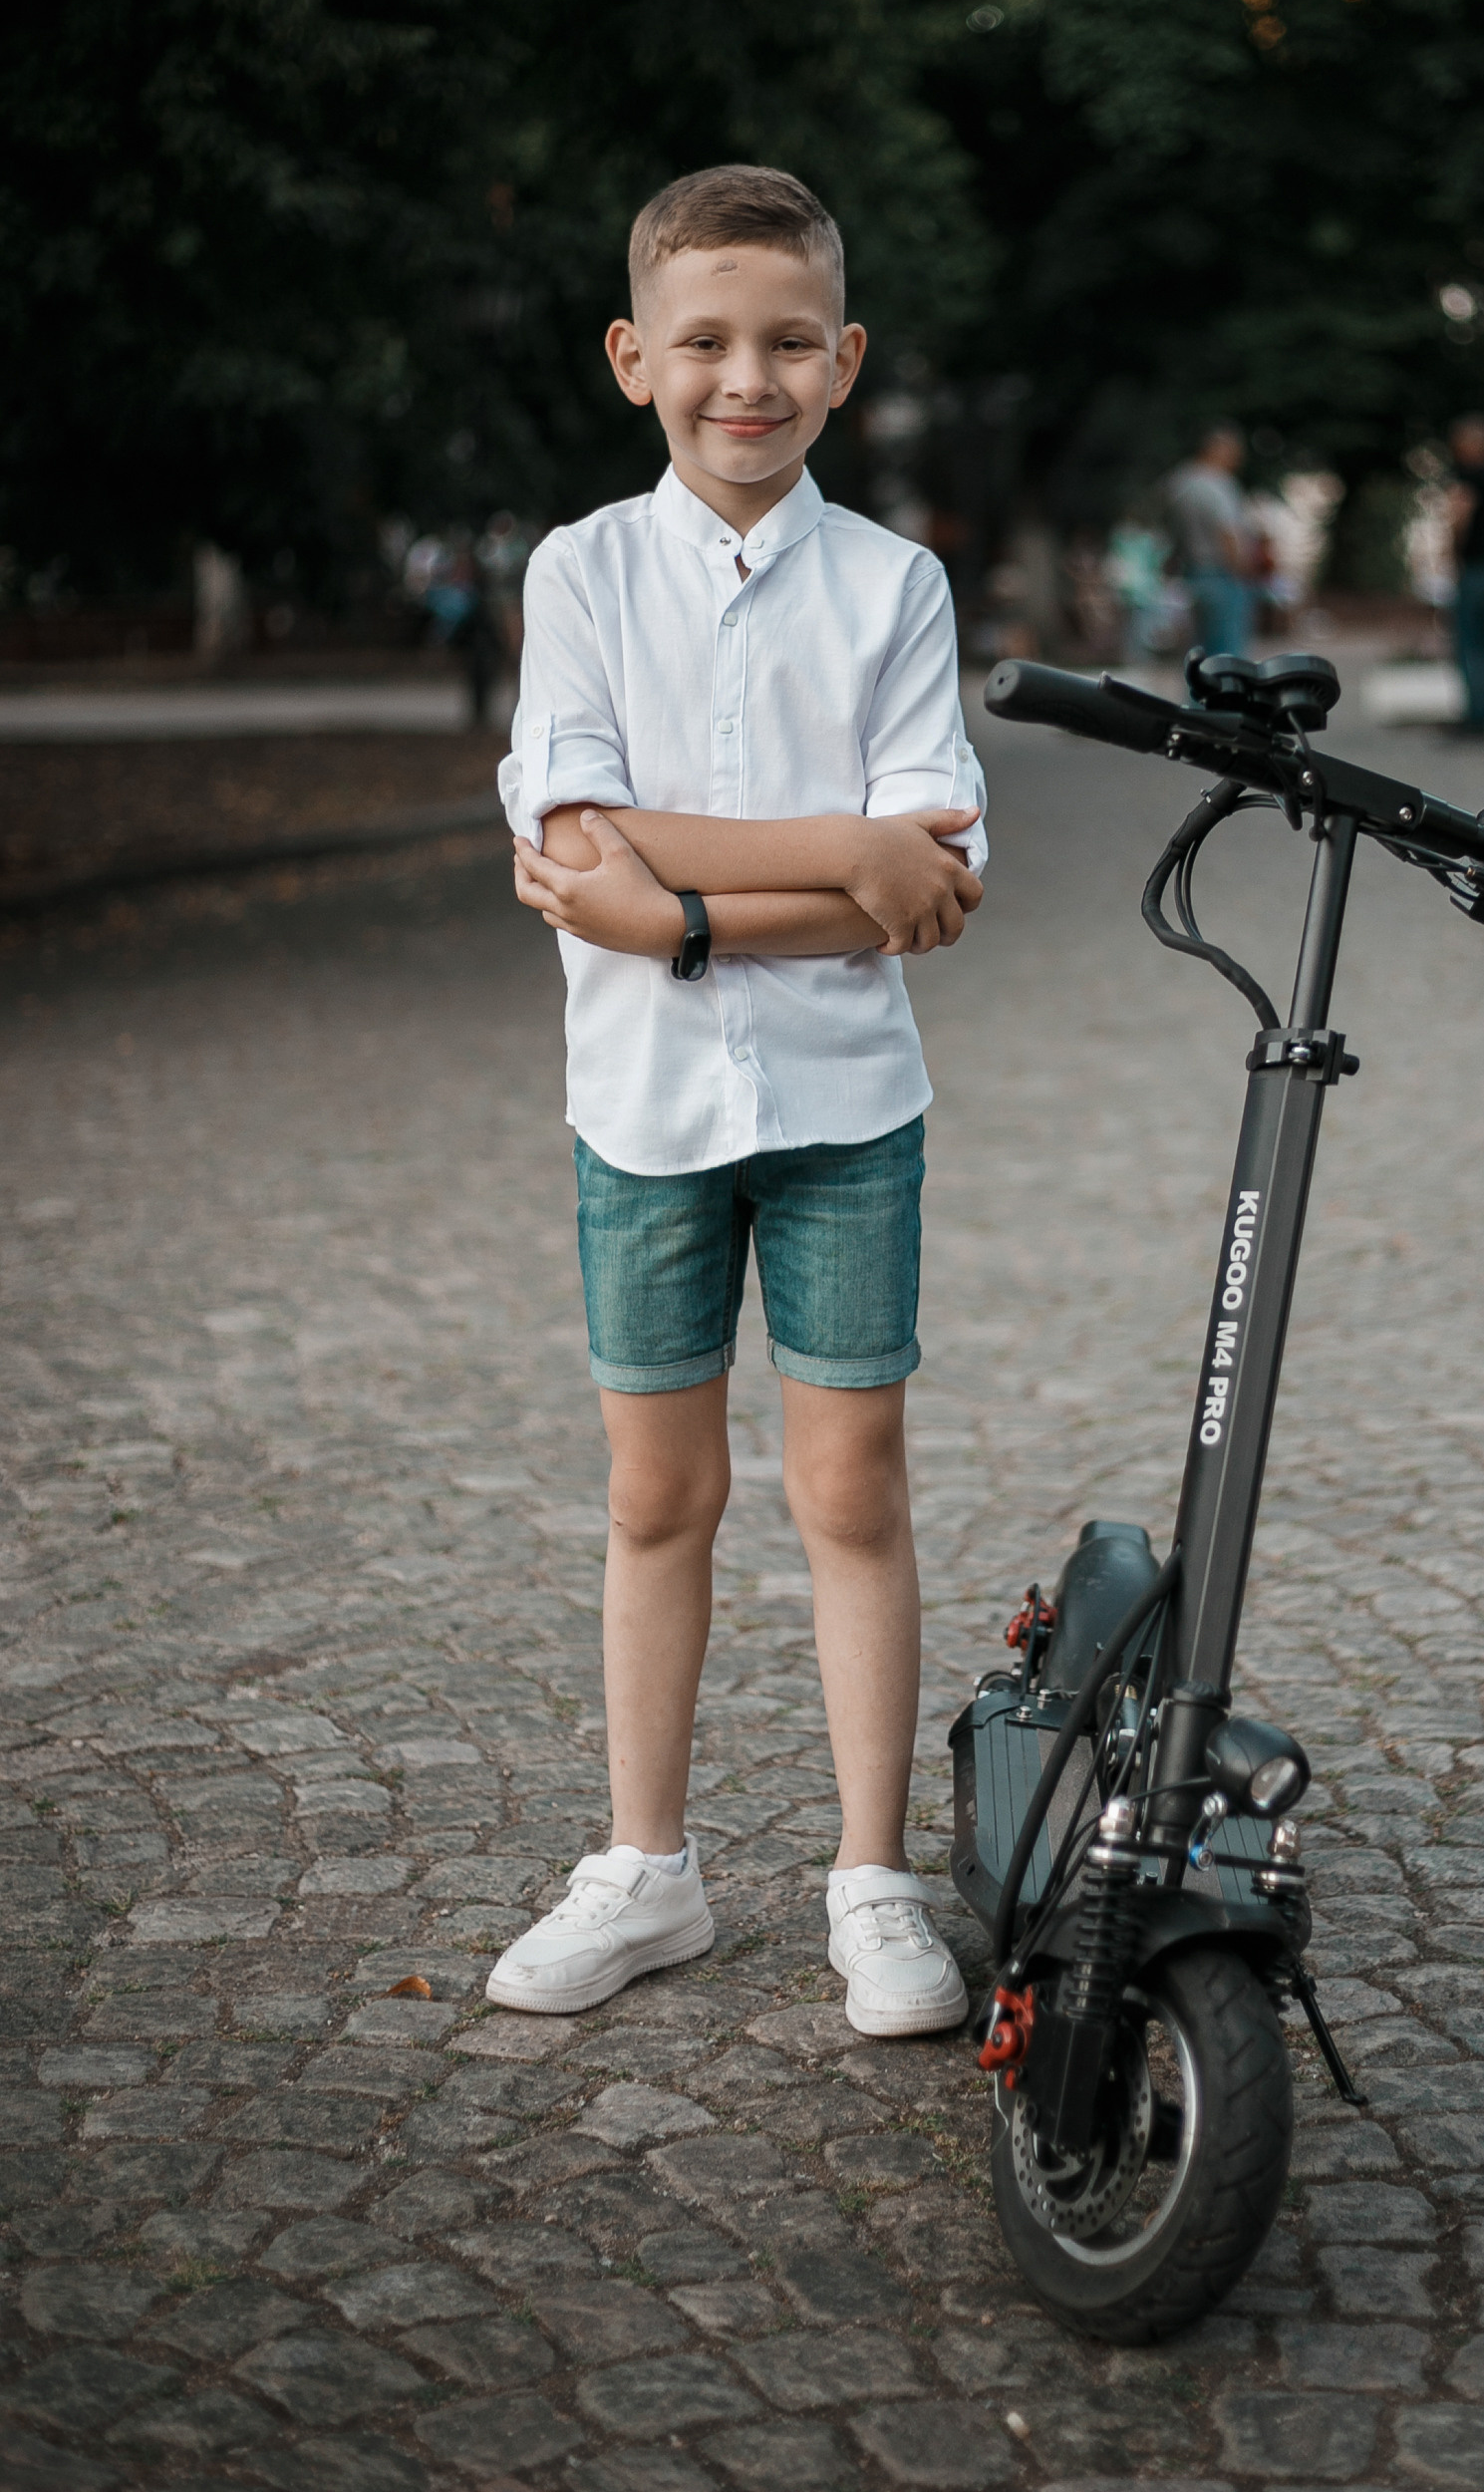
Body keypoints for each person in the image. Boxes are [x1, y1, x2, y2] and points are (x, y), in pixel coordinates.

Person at [489, 163, 988, 2032]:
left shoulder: (895, 586)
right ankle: (650, 1868)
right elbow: (575, 838)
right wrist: (834, 855)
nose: (746, 380)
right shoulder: (580, 571)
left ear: (845, 360)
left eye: (788, 343)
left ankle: (872, 1877)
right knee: (657, 1494)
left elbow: (932, 884)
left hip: (849, 1109)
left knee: (852, 1490)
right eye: (705, 342)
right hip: (641, 1114)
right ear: (636, 357)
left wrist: (677, 907)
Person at [1444, 414, 1484, 738]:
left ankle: (1472, 716)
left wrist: (1452, 551)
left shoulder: (1467, 478)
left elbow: (1459, 516)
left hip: (1473, 569)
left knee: (1469, 644)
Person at [1166, 424, 1254, 657]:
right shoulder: (1218, 484)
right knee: (1228, 653)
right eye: (1234, 452)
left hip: (1192, 572)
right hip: (1222, 574)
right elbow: (1227, 531)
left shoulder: (1180, 482)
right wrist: (1242, 569)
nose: (1238, 459)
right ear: (1218, 449)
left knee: (1198, 653)